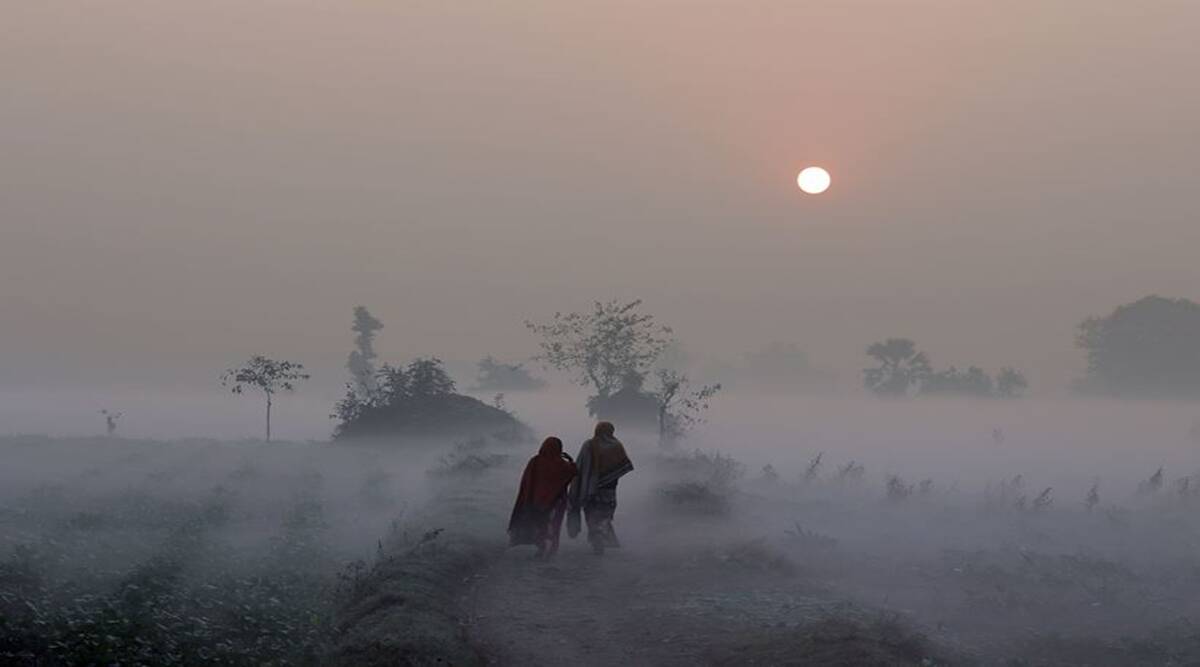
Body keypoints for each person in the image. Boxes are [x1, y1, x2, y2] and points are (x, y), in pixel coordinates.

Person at [567, 422, 634, 555]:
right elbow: (622, 467)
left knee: (591, 514)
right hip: (609, 489)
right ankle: (600, 537)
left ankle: (596, 539)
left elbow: (580, 465)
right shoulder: (617, 446)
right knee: (605, 515)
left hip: (591, 488)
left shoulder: (589, 445)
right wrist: (609, 477)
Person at [508, 437, 577, 559]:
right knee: (553, 525)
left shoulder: (535, 461)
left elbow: (527, 480)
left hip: (536, 501)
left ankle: (541, 548)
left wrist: (527, 497)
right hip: (556, 502)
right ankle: (550, 550)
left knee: (539, 524)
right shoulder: (561, 464)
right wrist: (570, 459)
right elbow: (573, 472)